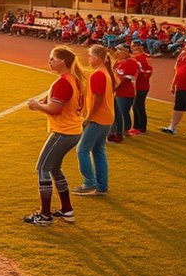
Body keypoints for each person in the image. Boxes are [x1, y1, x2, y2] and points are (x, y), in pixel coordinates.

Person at [24, 46, 85, 226]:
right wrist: (46, 102)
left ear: (62, 62)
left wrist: (38, 106)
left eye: (52, 58)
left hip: (63, 132)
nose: (49, 61)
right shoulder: (73, 79)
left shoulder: (64, 82)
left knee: (42, 167)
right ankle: (67, 210)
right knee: (54, 168)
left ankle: (45, 216)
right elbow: (61, 103)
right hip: (72, 130)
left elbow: (55, 109)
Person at [73, 45, 115, 197]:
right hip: (106, 118)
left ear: (97, 57)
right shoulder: (105, 73)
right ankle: (101, 187)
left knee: (82, 149)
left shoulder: (99, 75)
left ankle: (89, 184)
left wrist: (89, 117)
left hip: (98, 118)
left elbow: (97, 99)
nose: (88, 58)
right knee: (98, 151)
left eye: (90, 55)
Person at [108, 44, 138, 143]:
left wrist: (112, 87)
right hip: (118, 92)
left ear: (126, 51)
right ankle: (123, 130)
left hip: (125, 92)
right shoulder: (118, 62)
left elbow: (124, 79)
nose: (117, 52)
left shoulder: (131, 62)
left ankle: (119, 133)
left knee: (120, 113)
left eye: (119, 50)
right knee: (120, 113)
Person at [128, 40, 152, 136]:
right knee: (136, 106)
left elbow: (148, 72)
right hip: (138, 86)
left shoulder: (142, 58)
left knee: (139, 106)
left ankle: (141, 128)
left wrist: (139, 72)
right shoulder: (138, 58)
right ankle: (137, 126)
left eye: (133, 46)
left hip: (141, 86)